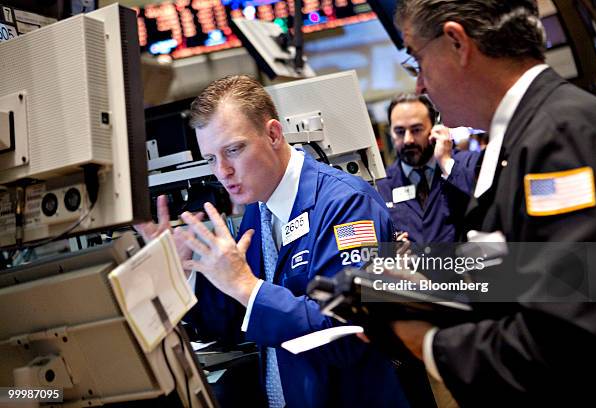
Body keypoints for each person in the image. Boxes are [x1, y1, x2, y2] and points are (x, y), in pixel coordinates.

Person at [138, 75, 410, 408]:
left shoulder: (346, 204)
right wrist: (185, 272)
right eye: (210, 158)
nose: (222, 171)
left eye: (233, 150)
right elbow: (236, 320)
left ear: (273, 134)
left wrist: (245, 285)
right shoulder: (260, 209)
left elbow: (348, 333)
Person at [389, 0, 596, 406]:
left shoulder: (558, 136)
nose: (420, 85)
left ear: (457, 42)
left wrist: (429, 343)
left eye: (417, 62)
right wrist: (416, 282)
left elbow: (570, 330)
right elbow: (528, 263)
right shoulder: (524, 134)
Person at [377, 93, 478, 243]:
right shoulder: (382, 186)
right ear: (390, 133)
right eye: (399, 131)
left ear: (436, 128)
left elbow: (483, 208)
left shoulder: (467, 164)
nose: (408, 140)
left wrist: (445, 162)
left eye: (416, 130)